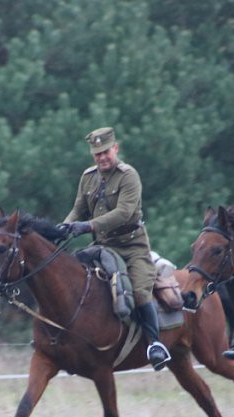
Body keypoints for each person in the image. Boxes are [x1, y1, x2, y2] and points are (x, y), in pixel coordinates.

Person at [56, 127, 171, 370]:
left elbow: (123, 213)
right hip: (101, 246)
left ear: (115, 149)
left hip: (132, 247)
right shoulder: (87, 177)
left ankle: (154, 345)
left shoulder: (129, 176)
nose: (102, 157)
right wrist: (63, 229)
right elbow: (79, 209)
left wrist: (86, 226)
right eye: (97, 153)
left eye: (106, 151)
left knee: (140, 291)